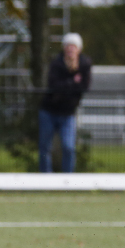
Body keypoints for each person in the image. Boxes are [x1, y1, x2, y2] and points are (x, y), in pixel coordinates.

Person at [38, 33, 92, 173]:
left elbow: (84, 87)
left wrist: (66, 85)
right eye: (68, 46)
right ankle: (45, 177)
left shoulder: (84, 64)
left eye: (73, 47)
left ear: (79, 49)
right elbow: (54, 86)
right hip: (49, 111)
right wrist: (73, 82)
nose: (70, 49)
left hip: (68, 113)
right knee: (45, 147)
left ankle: (68, 178)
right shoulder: (56, 63)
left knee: (69, 147)